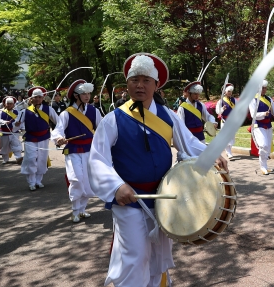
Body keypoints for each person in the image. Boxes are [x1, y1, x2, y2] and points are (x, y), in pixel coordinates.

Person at [88, 52, 228, 287]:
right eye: (134, 80)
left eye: (146, 80)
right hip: (129, 199)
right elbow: (97, 160)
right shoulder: (113, 119)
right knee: (136, 254)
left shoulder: (169, 116)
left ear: (156, 85)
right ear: (127, 84)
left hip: (164, 199)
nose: (139, 85)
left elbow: (189, 145)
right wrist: (116, 186)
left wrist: (211, 154)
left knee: (156, 254)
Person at [51, 79, 102, 222]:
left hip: (89, 150)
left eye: (88, 93)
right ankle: (75, 210)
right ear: (76, 96)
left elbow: (102, 128)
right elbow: (57, 130)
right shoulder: (66, 114)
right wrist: (59, 138)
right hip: (73, 149)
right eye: (83, 93)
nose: (87, 96)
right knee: (76, 178)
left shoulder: (94, 111)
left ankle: (82, 209)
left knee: (87, 180)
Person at [15, 86, 59, 191]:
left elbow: (59, 122)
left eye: (40, 97)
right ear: (31, 98)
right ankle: (31, 182)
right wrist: (17, 124)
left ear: (43, 98)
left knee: (42, 159)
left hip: (44, 137)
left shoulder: (49, 109)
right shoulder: (24, 111)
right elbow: (16, 125)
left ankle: (38, 181)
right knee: (30, 159)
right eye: (36, 97)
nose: (38, 99)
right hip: (30, 138)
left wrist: (58, 135)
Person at [0, 96, 23, 165]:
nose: (9, 105)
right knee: (4, 146)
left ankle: (18, 158)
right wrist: (4, 122)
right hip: (4, 132)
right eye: (8, 103)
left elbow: (20, 121)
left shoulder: (17, 112)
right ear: (5, 104)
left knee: (16, 145)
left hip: (14, 132)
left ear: (13, 104)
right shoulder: (1, 111)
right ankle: (5, 159)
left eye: (11, 103)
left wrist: (19, 125)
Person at [215, 83, 236, 158]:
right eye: (228, 91)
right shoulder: (221, 101)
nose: (230, 93)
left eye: (231, 91)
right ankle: (228, 152)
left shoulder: (233, 100)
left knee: (232, 136)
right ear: (225, 92)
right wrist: (222, 109)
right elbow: (217, 111)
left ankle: (229, 150)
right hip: (225, 120)